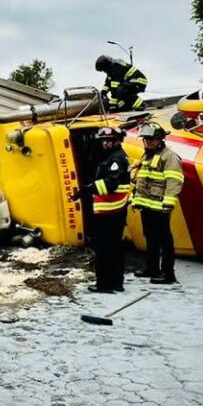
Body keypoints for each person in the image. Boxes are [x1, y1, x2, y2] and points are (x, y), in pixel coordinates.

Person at [129, 123, 183, 284]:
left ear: (160, 140)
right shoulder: (147, 156)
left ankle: (168, 273)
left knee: (164, 240)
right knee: (150, 238)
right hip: (147, 206)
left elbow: (174, 181)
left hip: (160, 207)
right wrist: (136, 199)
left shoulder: (169, 157)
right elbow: (142, 180)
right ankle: (152, 268)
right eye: (146, 140)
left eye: (151, 140)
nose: (148, 143)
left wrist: (168, 203)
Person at [85, 125, 132, 294]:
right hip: (112, 211)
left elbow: (111, 184)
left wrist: (89, 188)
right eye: (103, 140)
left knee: (105, 249)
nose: (105, 143)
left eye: (109, 141)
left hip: (110, 212)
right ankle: (116, 283)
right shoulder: (113, 157)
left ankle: (104, 284)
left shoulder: (116, 159)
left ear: (117, 141)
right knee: (114, 247)